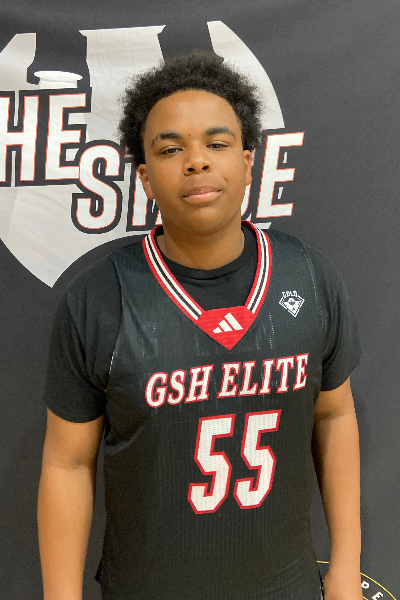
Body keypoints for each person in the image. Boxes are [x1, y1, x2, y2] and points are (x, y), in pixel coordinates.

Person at [38, 52, 363, 600]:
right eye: (171, 149)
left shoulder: (308, 277)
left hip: (286, 587)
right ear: (145, 178)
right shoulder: (99, 300)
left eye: (216, 143)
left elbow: (335, 417)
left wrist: (346, 570)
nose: (196, 161)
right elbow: (67, 464)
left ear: (248, 161)